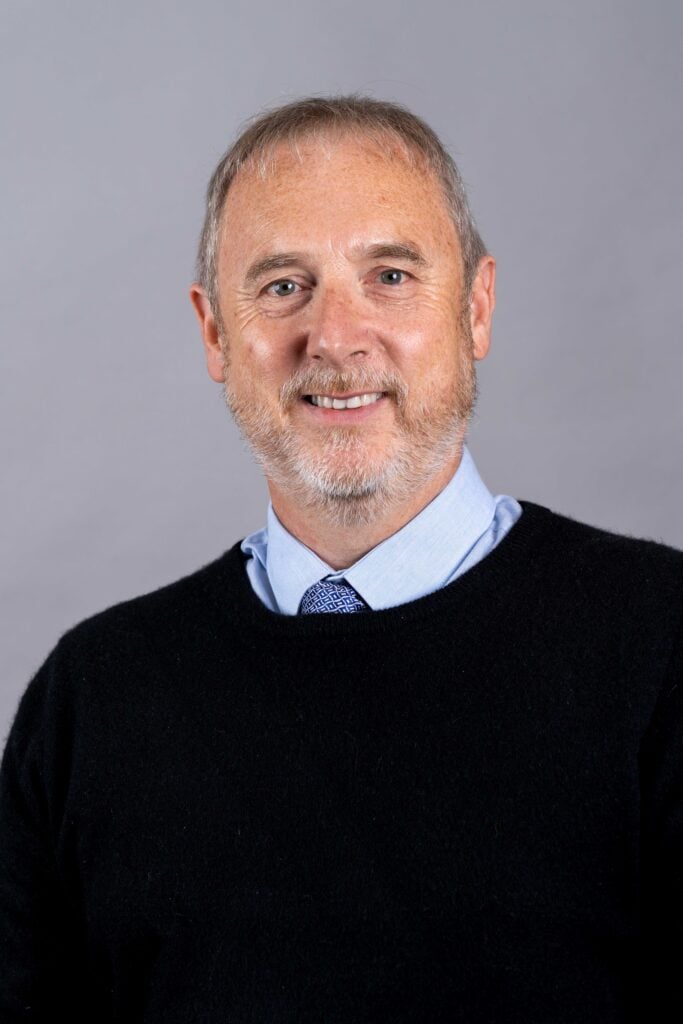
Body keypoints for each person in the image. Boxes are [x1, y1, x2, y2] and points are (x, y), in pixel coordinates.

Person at [1, 95, 681, 1022]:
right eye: (283, 286)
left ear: (475, 309)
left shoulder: (660, 646)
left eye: (391, 275)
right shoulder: (94, 696)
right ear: (213, 333)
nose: (334, 338)